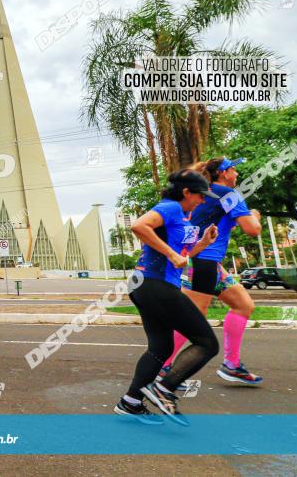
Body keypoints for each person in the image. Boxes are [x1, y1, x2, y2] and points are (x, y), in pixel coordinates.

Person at [114, 169, 221, 425]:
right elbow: (139, 226)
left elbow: (182, 254)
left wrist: (203, 243)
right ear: (186, 192)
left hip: (147, 285)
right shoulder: (170, 207)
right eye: (199, 195)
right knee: (207, 343)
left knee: (161, 347)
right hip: (155, 284)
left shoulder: (181, 216)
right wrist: (172, 256)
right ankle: (164, 388)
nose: (202, 200)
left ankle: (131, 402)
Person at [158, 158, 264, 386]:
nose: (237, 173)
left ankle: (232, 365)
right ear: (224, 173)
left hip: (208, 263)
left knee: (244, 305)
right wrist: (255, 216)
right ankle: (162, 367)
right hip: (202, 262)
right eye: (234, 169)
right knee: (193, 317)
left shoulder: (206, 195)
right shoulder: (227, 194)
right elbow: (252, 229)